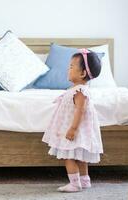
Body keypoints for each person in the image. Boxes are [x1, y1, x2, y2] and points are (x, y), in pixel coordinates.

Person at [42, 49, 103, 192]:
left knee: (68, 157)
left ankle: (75, 184)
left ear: (82, 74)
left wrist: (73, 129)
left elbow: (80, 111)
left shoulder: (80, 91)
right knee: (81, 157)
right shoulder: (76, 89)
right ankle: (84, 180)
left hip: (74, 131)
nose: (68, 69)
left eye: (71, 67)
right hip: (77, 131)